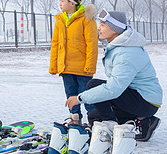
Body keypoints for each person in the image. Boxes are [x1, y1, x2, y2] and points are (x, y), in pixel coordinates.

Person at [65, 10, 162, 141]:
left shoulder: (127, 53)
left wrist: (80, 98)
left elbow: (113, 89)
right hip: (135, 97)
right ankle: (146, 123)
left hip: (145, 101)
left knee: (93, 85)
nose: (99, 28)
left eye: (103, 25)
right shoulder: (119, 46)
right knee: (95, 117)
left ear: (115, 29)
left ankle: (112, 126)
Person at [49, 0, 98, 125]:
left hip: (83, 68)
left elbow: (92, 44)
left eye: (63, 1)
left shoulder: (86, 19)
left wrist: (90, 66)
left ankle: (94, 121)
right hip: (65, 68)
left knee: (86, 96)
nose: (60, 4)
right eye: (60, 1)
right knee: (70, 96)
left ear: (73, 3)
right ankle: (75, 119)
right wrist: (54, 66)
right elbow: (55, 44)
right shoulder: (60, 20)